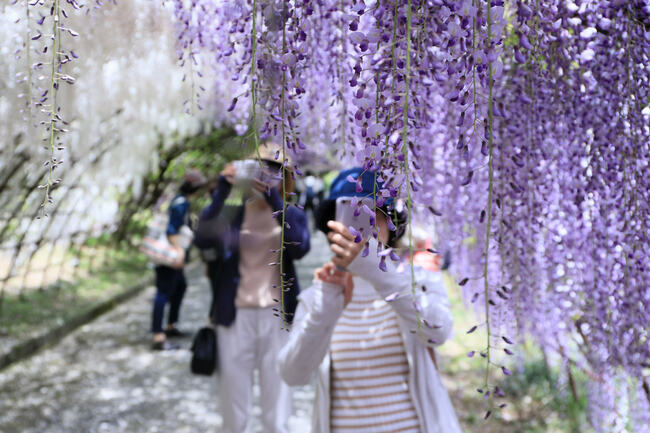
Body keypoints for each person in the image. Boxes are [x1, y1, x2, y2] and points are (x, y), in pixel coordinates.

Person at [278, 168, 463, 433]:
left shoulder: (418, 280)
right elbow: (293, 374)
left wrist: (375, 266)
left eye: (371, 214)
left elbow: (438, 332)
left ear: (391, 223)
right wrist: (326, 306)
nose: (361, 227)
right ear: (333, 227)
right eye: (350, 214)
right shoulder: (319, 295)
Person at [198, 143, 310, 433]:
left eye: (275, 170)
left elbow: (300, 246)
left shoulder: (289, 212)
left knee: (277, 409)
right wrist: (223, 189)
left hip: (277, 317)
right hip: (234, 316)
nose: (266, 175)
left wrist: (274, 200)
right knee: (234, 409)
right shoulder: (231, 213)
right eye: (260, 169)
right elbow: (202, 239)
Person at [151, 169, 206, 351]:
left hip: (172, 253)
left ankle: (170, 325)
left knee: (180, 287)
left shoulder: (180, 201)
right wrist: (179, 253)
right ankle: (159, 336)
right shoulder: (180, 204)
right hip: (169, 255)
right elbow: (171, 231)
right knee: (162, 293)